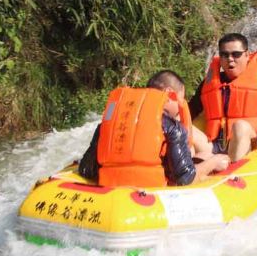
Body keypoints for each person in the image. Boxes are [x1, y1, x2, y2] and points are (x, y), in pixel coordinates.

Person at [78, 70, 229, 187]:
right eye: (180, 99)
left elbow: (86, 170)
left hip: (110, 187)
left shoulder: (109, 122)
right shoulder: (173, 128)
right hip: (149, 192)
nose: (180, 107)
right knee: (210, 159)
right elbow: (185, 179)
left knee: (203, 155)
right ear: (169, 93)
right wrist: (214, 162)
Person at [188, 33, 257, 162]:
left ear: (247, 55)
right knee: (184, 127)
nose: (230, 59)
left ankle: (234, 167)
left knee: (240, 126)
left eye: (236, 54)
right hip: (214, 145)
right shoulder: (209, 83)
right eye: (225, 55)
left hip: (249, 141)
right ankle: (185, 169)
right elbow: (190, 111)